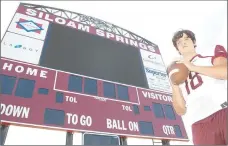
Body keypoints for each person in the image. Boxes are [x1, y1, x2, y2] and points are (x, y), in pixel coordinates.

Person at [170, 29, 227, 145]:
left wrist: (192, 67)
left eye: (186, 39)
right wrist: (174, 83)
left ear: (194, 42)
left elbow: (225, 72)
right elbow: (180, 110)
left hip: (222, 109)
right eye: (179, 42)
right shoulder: (177, 73)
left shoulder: (208, 56)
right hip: (199, 121)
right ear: (177, 49)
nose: (183, 42)